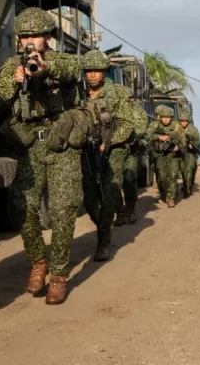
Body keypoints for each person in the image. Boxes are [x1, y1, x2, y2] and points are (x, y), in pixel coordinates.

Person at [0, 7, 83, 305]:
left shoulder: (62, 61)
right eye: (26, 36)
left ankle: (58, 276)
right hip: (30, 145)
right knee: (22, 207)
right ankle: (38, 261)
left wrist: (44, 70)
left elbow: (72, 71)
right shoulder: (9, 67)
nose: (31, 42)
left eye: (37, 36)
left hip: (61, 145)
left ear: (48, 39)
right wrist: (13, 82)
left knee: (63, 209)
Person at [78, 50, 138, 261]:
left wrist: (109, 143)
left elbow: (127, 124)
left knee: (110, 194)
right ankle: (102, 225)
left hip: (113, 149)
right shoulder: (77, 93)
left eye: (97, 70)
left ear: (105, 72)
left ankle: (104, 241)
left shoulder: (118, 94)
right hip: (86, 150)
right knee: (89, 198)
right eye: (89, 71)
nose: (93, 75)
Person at [147, 106, 186, 207]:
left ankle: (171, 197)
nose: (165, 119)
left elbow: (183, 141)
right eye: (163, 117)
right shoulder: (154, 125)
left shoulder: (176, 126)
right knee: (161, 177)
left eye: (168, 117)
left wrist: (178, 146)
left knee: (173, 175)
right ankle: (164, 193)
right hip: (159, 155)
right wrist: (159, 136)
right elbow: (147, 136)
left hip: (173, 155)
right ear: (160, 117)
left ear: (171, 118)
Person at [122, 94, 148, 223]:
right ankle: (119, 212)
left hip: (130, 151)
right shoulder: (109, 107)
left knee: (129, 179)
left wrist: (133, 137)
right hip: (111, 150)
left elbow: (140, 127)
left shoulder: (137, 111)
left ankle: (130, 209)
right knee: (112, 183)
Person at [178, 111, 200, 197]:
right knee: (183, 170)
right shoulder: (177, 128)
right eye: (182, 120)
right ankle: (186, 185)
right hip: (180, 152)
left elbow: (197, 141)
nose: (183, 122)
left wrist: (193, 145)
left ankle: (189, 187)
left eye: (185, 120)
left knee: (190, 169)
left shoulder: (193, 130)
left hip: (190, 153)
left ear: (188, 121)